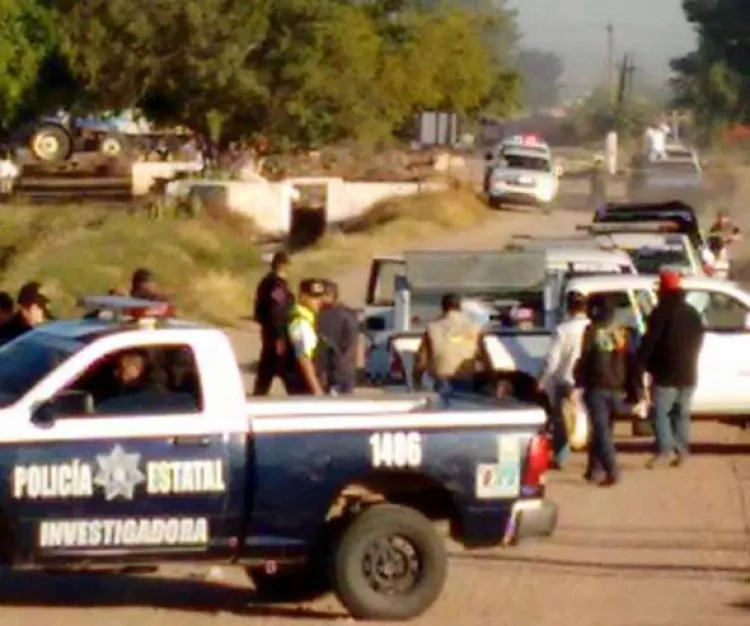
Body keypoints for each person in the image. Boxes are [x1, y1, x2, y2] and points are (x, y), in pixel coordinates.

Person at [574, 293, 643, 486]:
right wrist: (635, 390)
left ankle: (613, 470)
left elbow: (585, 359)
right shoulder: (623, 333)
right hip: (618, 387)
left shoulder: (592, 331)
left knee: (601, 431)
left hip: (597, 386)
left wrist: (578, 381)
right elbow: (633, 362)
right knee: (604, 430)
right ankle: (594, 469)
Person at [638, 270, 704, 469]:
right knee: (681, 414)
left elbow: (650, 343)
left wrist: (642, 364)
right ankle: (682, 451)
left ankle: (664, 449)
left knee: (661, 413)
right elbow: (699, 338)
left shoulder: (660, 313)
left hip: (665, 374)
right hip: (688, 372)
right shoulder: (692, 313)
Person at [537, 291, 590, 469]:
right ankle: (594, 458)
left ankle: (561, 457)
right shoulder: (591, 327)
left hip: (566, 381)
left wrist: (542, 379)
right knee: (588, 418)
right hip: (589, 380)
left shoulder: (562, 330)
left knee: (563, 421)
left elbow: (552, 359)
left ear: (568, 307)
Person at [412, 293, 482, 407]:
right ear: (460, 307)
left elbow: (421, 359)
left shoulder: (433, 327)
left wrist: (416, 381)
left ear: (442, 307)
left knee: (443, 411)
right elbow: (484, 356)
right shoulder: (474, 327)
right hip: (466, 378)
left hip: (442, 380)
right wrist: (493, 379)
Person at [252, 252, 295, 396]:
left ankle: (260, 392)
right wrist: (279, 336)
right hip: (277, 332)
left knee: (268, 365)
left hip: (269, 331)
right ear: (282, 265)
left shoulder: (266, 282)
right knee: (281, 365)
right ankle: (297, 394)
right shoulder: (277, 285)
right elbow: (277, 310)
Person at [282, 278, 327, 396]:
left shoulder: (306, 318)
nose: (319, 301)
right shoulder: (299, 322)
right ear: (302, 297)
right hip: (303, 387)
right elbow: (303, 357)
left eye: (321, 296)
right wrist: (317, 390)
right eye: (314, 297)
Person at [316, 280, 359, 395]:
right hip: (347, 371)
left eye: (320, 295)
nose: (318, 299)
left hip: (333, 374)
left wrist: (322, 373)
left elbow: (324, 348)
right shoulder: (349, 313)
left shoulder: (327, 315)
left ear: (329, 296)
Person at [706, 210, 741, 279]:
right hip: (719, 254)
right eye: (720, 218)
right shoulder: (714, 228)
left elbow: (739, 237)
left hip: (730, 255)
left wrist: (729, 238)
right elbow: (710, 238)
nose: (722, 220)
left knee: (732, 274)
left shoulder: (733, 227)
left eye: (724, 218)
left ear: (728, 218)